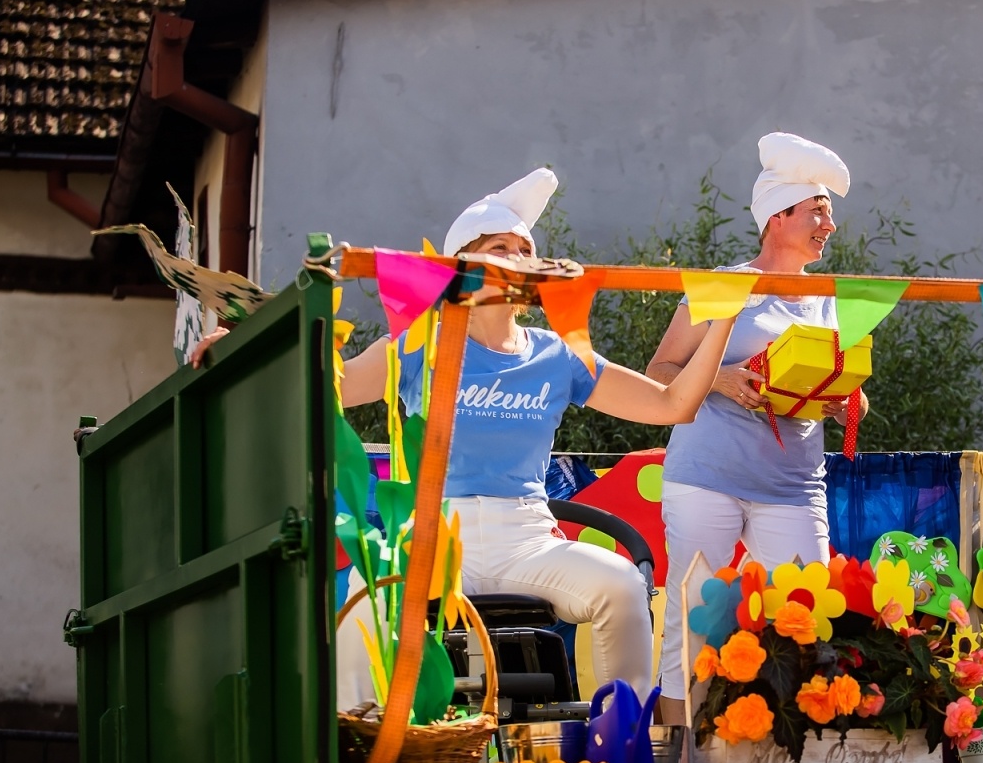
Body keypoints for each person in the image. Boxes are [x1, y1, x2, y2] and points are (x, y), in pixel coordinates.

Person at [336, 168, 735, 704]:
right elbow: (331, 385)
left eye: (525, 249)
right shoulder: (417, 343)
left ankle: (622, 747)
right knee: (363, 600)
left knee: (621, 585)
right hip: (432, 534)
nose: (516, 257)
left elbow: (673, 404)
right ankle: (361, 757)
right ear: (461, 266)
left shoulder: (558, 354)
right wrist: (240, 341)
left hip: (523, 538)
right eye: (499, 247)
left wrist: (725, 319)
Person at [648, 132, 864, 724]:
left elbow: (839, 388)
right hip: (706, 478)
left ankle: (792, 755)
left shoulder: (827, 297)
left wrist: (848, 403)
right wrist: (720, 378)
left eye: (829, 212)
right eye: (818, 210)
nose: (830, 224)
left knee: (808, 619)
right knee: (695, 617)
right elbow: (659, 369)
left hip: (793, 486)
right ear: (778, 216)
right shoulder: (723, 283)